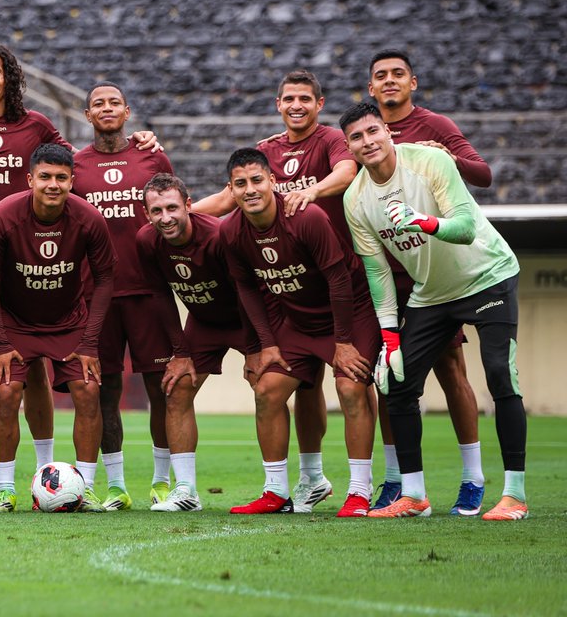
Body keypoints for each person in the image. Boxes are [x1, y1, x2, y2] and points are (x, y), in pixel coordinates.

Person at [0, 44, 159, 508]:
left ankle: (49, 474)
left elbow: (80, 167)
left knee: (36, 381)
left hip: (33, 273)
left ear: (9, 78)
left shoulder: (37, 127)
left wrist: (134, 143)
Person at [340, 103, 527, 520]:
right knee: (396, 382)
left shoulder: (430, 161)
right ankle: (414, 495)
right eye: (356, 137)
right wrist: (389, 339)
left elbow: (465, 228)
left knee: (499, 371)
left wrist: (420, 221)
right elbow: (379, 274)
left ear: (388, 132)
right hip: (432, 293)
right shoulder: (355, 199)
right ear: (349, 147)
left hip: (487, 275)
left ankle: (514, 494)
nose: (367, 142)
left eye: (373, 131)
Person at [194, 70, 358, 512]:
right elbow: (229, 197)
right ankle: (298, 483)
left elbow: (348, 169)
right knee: (282, 388)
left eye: (305, 97)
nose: (297, 105)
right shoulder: (264, 152)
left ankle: (369, 488)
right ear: (278, 103)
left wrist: (313, 190)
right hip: (288, 294)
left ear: (319, 103)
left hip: (340, 283)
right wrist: (180, 214)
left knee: (354, 385)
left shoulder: (330, 141)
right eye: (289, 98)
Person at [365, 50, 491, 514]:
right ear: (371, 89)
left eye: (398, 73)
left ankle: (473, 478)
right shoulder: (362, 134)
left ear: (412, 82)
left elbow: (484, 175)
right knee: (388, 378)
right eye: (381, 76)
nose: (390, 81)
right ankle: (397, 482)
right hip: (383, 274)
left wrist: (448, 158)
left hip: (433, 273)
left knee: (451, 370)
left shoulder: (434, 126)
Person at [220, 148, 378, 517]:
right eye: (240, 184)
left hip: (350, 314)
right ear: (231, 189)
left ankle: (359, 491)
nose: (250, 190)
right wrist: (266, 344)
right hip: (297, 321)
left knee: (350, 387)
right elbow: (246, 289)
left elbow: (339, 279)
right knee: (267, 391)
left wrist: (342, 343)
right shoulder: (231, 231)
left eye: (257, 180)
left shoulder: (306, 216)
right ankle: (275, 491)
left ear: (273, 181)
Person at [0, 143, 116, 513]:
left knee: (87, 390)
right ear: (30, 179)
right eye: (45, 177)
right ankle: (5, 491)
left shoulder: (89, 218)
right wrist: (0, 341)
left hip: (69, 321)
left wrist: (89, 342)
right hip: (16, 322)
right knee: (7, 394)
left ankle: (83, 489)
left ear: (72, 180)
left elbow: (104, 280)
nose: (53, 184)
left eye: (61, 177)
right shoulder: (3, 216)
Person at [71, 83, 174, 510]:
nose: (107, 109)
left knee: (161, 388)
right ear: (88, 114)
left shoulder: (153, 157)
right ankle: (115, 485)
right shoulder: (75, 166)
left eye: (114, 102)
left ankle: (165, 481)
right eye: (99, 104)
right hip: (98, 296)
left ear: (127, 111)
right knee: (104, 390)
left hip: (149, 290)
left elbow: (173, 211)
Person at [135, 173, 260, 512]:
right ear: (147, 214)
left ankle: (278, 487)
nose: (166, 218)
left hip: (243, 318)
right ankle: (186, 490)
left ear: (189, 206)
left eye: (172, 208)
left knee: (268, 387)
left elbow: (246, 292)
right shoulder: (147, 241)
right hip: (203, 322)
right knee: (176, 389)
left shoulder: (219, 236)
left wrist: (257, 347)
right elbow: (161, 295)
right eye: (156, 210)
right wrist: (180, 352)